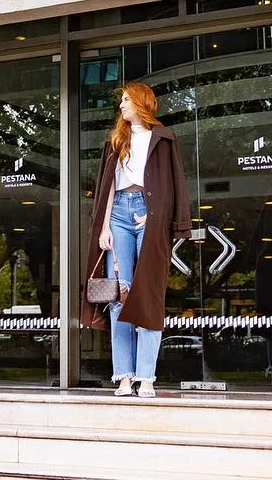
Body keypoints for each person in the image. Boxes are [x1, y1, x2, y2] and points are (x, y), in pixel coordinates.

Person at [79, 82, 193, 397]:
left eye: (127, 100)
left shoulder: (164, 139)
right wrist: (103, 227)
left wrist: (157, 216)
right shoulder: (116, 140)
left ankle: (147, 378)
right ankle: (124, 377)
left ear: (141, 102)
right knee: (119, 296)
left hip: (148, 214)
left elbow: (173, 184)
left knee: (149, 296)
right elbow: (107, 188)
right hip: (117, 214)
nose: (122, 106)